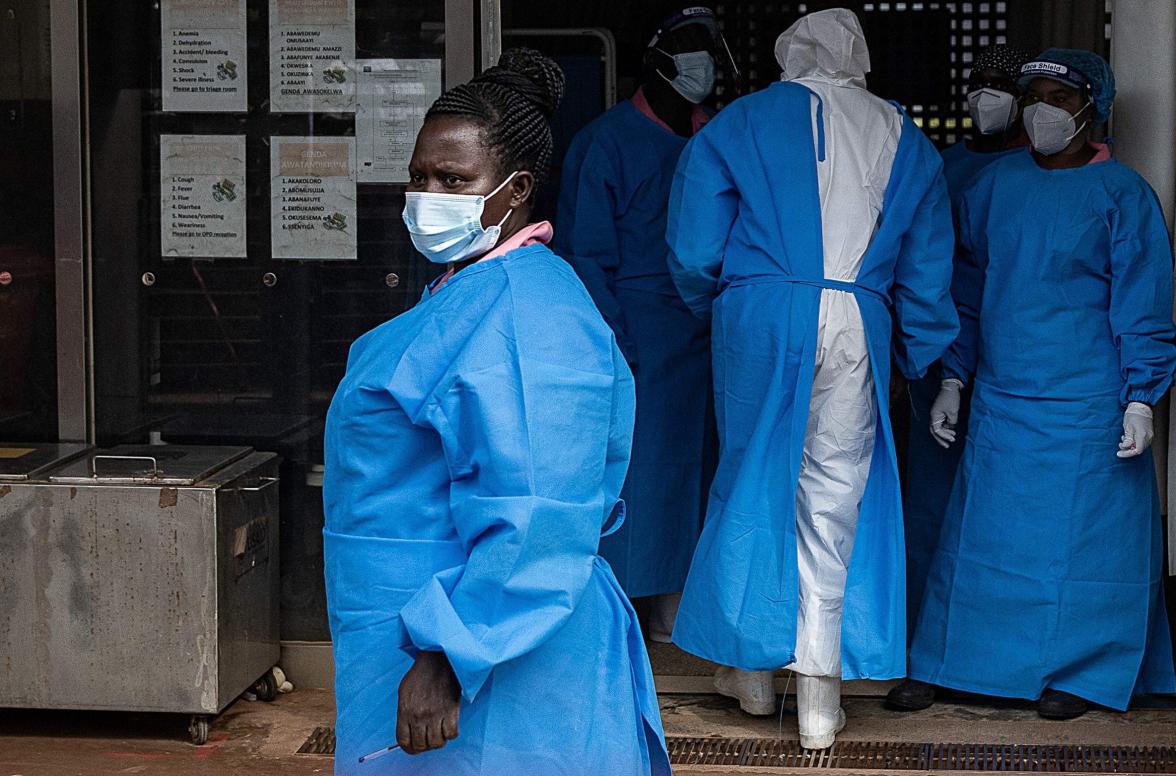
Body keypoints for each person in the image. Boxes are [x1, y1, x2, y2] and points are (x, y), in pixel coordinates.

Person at [322, 49, 671, 775]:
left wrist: (452, 654)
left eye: (453, 180)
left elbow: (537, 507)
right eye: (419, 177)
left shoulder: (527, 315)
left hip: (484, 647)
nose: (427, 195)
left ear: (515, 189)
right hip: (420, 626)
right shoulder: (469, 290)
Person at [665, 9, 958, 749]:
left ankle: (755, 678)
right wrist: (920, 352)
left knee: (752, 481)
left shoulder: (737, 123)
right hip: (859, 315)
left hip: (761, 310)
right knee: (833, 500)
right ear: (857, 56)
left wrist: (727, 305)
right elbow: (927, 270)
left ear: (789, 55)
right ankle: (820, 700)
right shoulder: (906, 137)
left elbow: (695, 248)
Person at [889, 48, 1176, 721]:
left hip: (1087, 403)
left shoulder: (1122, 195)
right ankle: (953, 663)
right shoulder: (993, 187)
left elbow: (1143, 300)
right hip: (1001, 397)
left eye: (1057, 96)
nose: (1040, 109)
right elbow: (963, 291)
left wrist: (1141, 396)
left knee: (1082, 543)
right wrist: (952, 379)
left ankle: (1081, 672)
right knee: (980, 540)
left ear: (1090, 109)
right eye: (1033, 96)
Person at [557, 5, 730, 640]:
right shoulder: (605, 143)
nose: (700, 61)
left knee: (703, 473)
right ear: (654, 58)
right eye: (687, 46)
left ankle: (680, 606)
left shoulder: (715, 139)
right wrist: (615, 343)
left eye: (709, 48)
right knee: (641, 473)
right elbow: (586, 258)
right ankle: (623, 613)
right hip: (638, 341)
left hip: (707, 334)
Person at [902, 44, 1030, 633]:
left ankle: (991, 633)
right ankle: (929, 630)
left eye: (1000, 85)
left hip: (1017, 358)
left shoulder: (1042, 177)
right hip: (936, 350)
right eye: (977, 84)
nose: (986, 96)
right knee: (933, 496)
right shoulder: (937, 165)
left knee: (1006, 501)